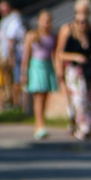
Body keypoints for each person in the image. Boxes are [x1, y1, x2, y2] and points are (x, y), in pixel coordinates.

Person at [56, 0, 91, 140]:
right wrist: (72, 60)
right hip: (74, 71)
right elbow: (60, 53)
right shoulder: (68, 29)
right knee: (79, 101)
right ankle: (81, 128)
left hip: (89, 71)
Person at [20, 11, 58, 140]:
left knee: (45, 96)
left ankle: (40, 123)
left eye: (48, 21)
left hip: (47, 66)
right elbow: (26, 55)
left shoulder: (52, 36)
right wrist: (24, 72)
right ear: (39, 21)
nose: (46, 24)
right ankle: (39, 124)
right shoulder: (33, 35)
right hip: (36, 67)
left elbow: (54, 55)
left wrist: (57, 71)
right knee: (39, 97)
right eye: (44, 21)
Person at [0, 0, 26, 108]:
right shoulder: (4, 21)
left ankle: (15, 102)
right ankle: (12, 102)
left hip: (11, 55)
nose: (2, 10)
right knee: (9, 80)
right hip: (6, 54)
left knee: (14, 79)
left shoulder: (13, 19)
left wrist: (10, 56)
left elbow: (10, 40)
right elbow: (6, 40)